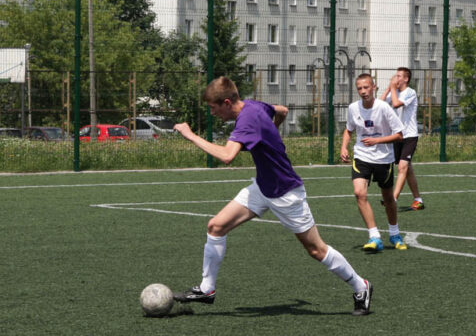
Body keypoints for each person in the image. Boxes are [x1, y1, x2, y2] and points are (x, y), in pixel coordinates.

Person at [172, 76, 372, 316]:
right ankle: (207, 289)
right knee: (216, 226)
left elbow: (227, 156)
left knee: (316, 250)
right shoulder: (253, 106)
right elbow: (282, 111)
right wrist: (268, 134)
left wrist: (191, 135)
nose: (213, 113)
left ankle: (361, 286)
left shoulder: (246, 120)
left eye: (214, 108)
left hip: (286, 193)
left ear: (226, 102)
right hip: (263, 187)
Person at [340, 73, 407, 252]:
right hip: (362, 156)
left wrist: (378, 141)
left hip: (383, 159)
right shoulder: (353, 108)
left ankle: (394, 234)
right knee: (359, 193)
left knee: (388, 199)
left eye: (366, 87)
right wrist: (344, 147)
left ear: (374, 87)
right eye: (360, 88)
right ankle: (374, 236)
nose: (363, 91)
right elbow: (348, 130)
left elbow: (399, 135)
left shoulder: (384, 108)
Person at [379, 67, 425, 211]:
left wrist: (393, 90)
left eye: (399, 76)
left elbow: (397, 103)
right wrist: (388, 89)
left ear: (406, 79)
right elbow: (379, 105)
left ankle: (392, 199)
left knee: (403, 167)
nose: (396, 78)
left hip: (409, 135)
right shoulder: (394, 92)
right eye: (395, 75)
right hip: (398, 135)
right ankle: (418, 200)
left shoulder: (410, 92)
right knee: (407, 168)